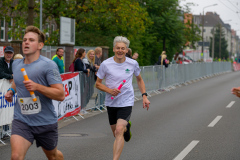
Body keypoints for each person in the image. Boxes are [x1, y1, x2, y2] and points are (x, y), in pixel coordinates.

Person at [4, 26, 65, 160]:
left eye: (31, 40)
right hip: (22, 120)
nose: (26, 42)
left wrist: (37, 86)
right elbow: (17, 80)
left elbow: (60, 94)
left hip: (45, 121)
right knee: (16, 156)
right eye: (25, 40)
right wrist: (11, 90)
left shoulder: (48, 65)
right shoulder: (16, 64)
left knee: (53, 156)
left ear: (40, 45)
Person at [96, 36, 150, 160]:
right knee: (116, 133)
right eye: (118, 48)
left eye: (123, 48)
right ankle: (127, 128)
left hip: (126, 100)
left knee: (119, 130)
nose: (120, 50)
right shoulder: (106, 64)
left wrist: (144, 96)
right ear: (114, 49)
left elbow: (139, 80)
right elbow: (98, 84)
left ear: (126, 50)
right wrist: (110, 90)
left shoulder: (132, 63)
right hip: (111, 102)